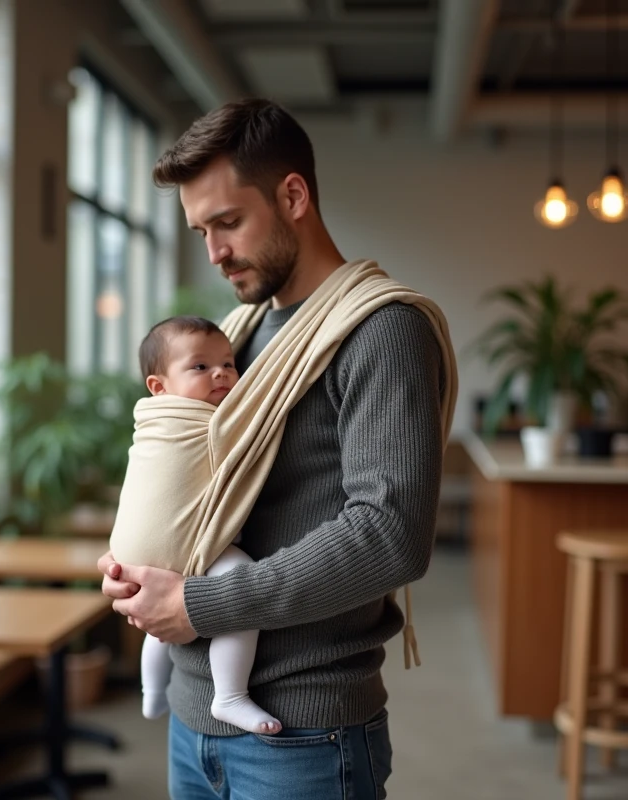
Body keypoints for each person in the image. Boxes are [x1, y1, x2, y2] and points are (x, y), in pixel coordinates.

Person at [97, 97, 452, 799]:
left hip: (303, 735)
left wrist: (201, 605)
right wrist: (141, 557)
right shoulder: (237, 336)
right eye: (201, 230)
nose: (215, 252)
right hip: (194, 719)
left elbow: (390, 536)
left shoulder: (380, 332)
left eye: (228, 222)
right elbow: (193, 484)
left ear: (293, 195)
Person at [128, 314, 282, 735]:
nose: (222, 373)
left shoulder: (148, 421)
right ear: (159, 388)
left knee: (158, 626)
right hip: (177, 536)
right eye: (200, 367)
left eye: (229, 364)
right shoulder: (197, 422)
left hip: (135, 542)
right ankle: (230, 696)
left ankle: (151, 692)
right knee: (237, 584)